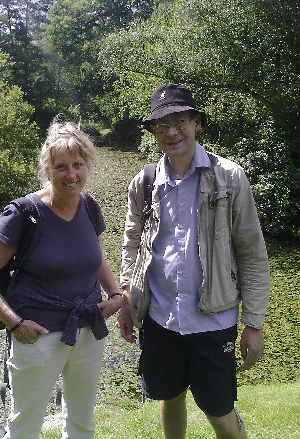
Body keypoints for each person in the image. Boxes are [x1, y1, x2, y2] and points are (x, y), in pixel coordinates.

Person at [117, 84, 270, 439]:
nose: (172, 132)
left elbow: (252, 253)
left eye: (180, 120)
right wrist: (128, 299)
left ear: (197, 123)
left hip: (213, 321)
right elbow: (132, 244)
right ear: (153, 132)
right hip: (160, 320)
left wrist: (254, 323)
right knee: (169, 399)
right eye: (162, 125)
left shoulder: (229, 178)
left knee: (219, 411)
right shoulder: (144, 182)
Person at [0, 118, 122, 439]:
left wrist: (116, 294)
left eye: (77, 165)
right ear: (47, 168)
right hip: (38, 338)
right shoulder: (23, 214)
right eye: (61, 166)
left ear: (87, 165)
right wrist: (14, 323)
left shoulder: (90, 207)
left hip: (88, 333)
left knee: (81, 424)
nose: (71, 175)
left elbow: (96, 260)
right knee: (24, 429)